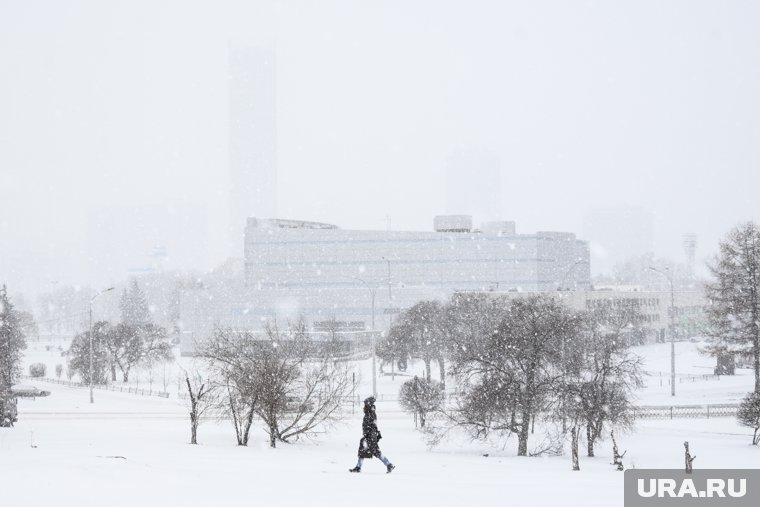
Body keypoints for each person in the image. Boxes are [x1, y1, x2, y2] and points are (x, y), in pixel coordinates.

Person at [349, 396, 395, 473]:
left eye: (365, 404)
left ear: (369, 404)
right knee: (362, 451)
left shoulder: (370, 413)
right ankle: (358, 467)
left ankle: (389, 465)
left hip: (370, 437)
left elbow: (372, 425)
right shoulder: (370, 413)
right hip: (368, 436)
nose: (364, 406)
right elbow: (373, 425)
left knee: (376, 452)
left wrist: (370, 433)